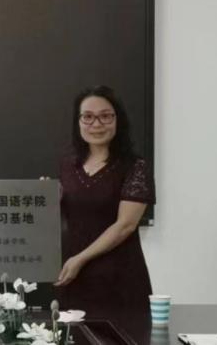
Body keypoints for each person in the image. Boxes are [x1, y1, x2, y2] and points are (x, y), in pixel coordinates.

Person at [55, 85, 155, 313]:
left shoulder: (135, 167)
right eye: (88, 117)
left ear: (118, 120)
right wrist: (47, 199)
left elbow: (125, 225)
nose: (97, 124)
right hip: (72, 274)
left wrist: (81, 258)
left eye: (105, 116)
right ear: (78, 122)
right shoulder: (68, 165)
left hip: (119, 277)